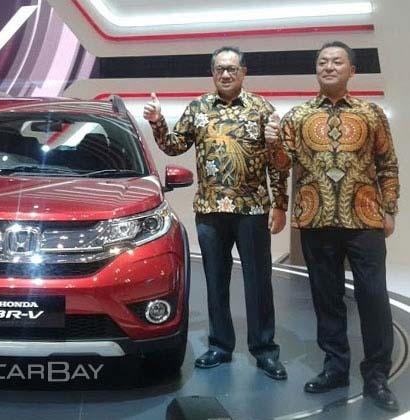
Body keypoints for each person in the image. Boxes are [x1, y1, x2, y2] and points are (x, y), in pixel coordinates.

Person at [266, 41, 400, 412]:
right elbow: (281, 165)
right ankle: (336, 367)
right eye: (322, 61)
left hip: (364, 218)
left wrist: (389, 209)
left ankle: (376, 375)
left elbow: (388, 164)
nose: (328, 66)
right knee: (326, 299)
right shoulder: (298, 116)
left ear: (351, 70)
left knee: (373, 297)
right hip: (316, 218)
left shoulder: (371, 114)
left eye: (337, 61)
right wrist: (273, 144)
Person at [143, 46, 288, 380]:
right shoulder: (198, 108)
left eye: (232, 69)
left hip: (252, 209)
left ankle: (264, 350)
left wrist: (280, 203)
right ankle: (220, 345)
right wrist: (157, 122)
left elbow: (278, 164)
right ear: (212, 73)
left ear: (244, 72)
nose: (225, 74)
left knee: (258, 282)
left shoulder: (262, 109)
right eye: (220, 69)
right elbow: (174, 146)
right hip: (210, 210)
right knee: (215, 280)